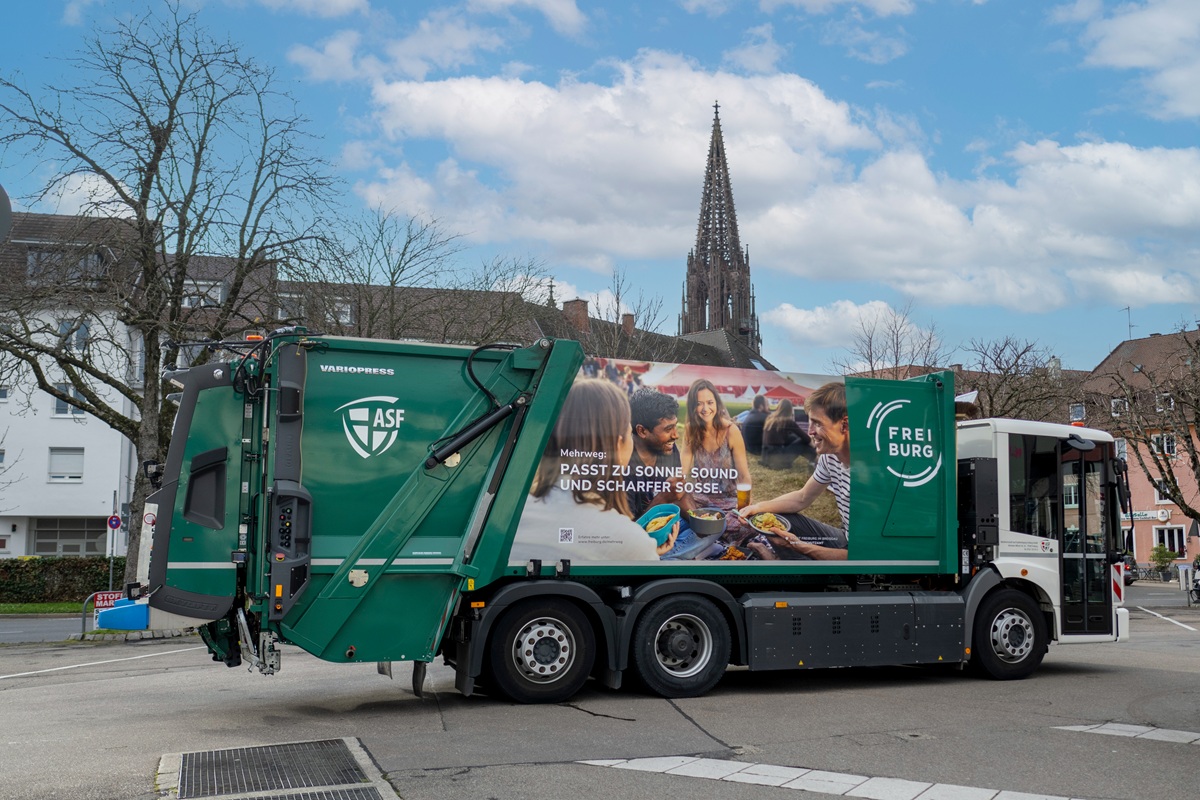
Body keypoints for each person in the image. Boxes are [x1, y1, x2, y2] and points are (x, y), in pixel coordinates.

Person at [513, 379, 679, 563]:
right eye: (628, 432)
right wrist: (646, 550)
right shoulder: (629, 540)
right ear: (617, 444)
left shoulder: (511, 515)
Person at [740, 382, 849, 560]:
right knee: (771, 517)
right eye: (809, 422)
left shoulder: (871, 470)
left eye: (817, 423)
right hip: (845, 539)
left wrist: (801, 547)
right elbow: (802, 497)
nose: (811, 431)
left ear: (844, 425)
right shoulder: (830, 458)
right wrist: (758, 508)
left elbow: (862, 557)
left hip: (858, 555)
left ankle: (790, 569)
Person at [679, 378, 753, 514]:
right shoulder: (690, 430)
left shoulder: (731, 431)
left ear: (717, 403)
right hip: (699, 501)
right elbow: (682, 470)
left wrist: (745, 505)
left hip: (729, 501)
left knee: (744, 529)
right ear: (692, 407)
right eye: (699, 404)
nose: (705, 409)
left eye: (710, 403)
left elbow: (743, 475)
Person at [626, 387, 692, 519]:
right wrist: (663, 497)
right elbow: (628, 532)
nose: (676, 435)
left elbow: (679, 493)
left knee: (714, 527)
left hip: (666, 524)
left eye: (675, 426)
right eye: (668, 429)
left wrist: (698, 519)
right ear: (642, 431)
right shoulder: (624, 464)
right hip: (639, 534)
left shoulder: (668, 449)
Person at [760, 398, 815, 470]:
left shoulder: (770, 419)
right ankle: (816, 458)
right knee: (801, 441)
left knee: (793, 437)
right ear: (790, 410)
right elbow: (806, 438)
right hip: (778, 461)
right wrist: (815, 447)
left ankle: (813, 458)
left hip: (766, 458)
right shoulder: (787, 421)